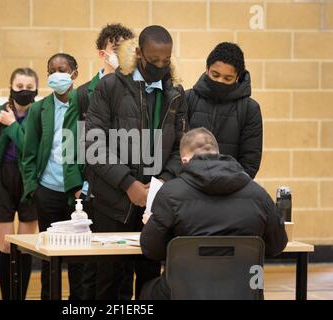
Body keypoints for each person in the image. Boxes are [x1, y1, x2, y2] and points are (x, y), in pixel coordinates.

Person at [85, 25, 188, 300]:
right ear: (139, 53)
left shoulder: (176, 93)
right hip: (112, 202)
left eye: (166, 60)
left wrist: (162, 182)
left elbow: (182, 148)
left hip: (154, 204)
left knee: (150, 282)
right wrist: (128, 183)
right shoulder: (110, 86)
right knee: (109, 283)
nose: (160, 66)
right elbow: (93, 144)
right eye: (154, 60)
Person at [139, 127, 288, 300]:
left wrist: (152, 223)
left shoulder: (170, 193)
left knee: (148, 290)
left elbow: (151, 250)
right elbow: (277, 245)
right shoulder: (258, 194)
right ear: (218, 153)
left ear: (185, 161)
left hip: (184, 292)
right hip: (242, 292)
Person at [76, 22, 134, 300]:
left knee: (122, 265)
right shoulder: (84, 92)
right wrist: (79, 183)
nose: (121, 54)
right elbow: (76, 143)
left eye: (127, 49)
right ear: (103, 53)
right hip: (92, 187)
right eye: (115, 49)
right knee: (94, 266)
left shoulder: (135, 89)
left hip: (124, 183)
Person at [22, 53, 84, 300]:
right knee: (50, 255)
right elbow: (28, 153)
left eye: (62, 69)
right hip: (47, 190)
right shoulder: (39, 108)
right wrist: (33, 188)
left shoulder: (86, 103)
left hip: (77, 191)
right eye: (52, 70)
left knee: (80, 256)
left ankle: (78, 302)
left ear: (74, 73)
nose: (57, 74)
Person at [0, 67, 39, 300]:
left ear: (36, 90)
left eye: (29, 87)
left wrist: (12, 124)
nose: (24, 91)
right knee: (6, 246)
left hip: (30, 180)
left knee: (24, 246)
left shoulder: (40, 114)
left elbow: (30, 147)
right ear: (10, 87)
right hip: (2, 180)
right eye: (19, 87)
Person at [186, 42, 263, 179]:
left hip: (229, 192)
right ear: (206, 69)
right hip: (188, 187)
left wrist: (227, 187)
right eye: (215, 75)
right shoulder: (187, 99)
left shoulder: (250, 109)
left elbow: (250, 162)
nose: (220, 81)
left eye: (228, 78)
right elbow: (176, 149)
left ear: (237, 77)